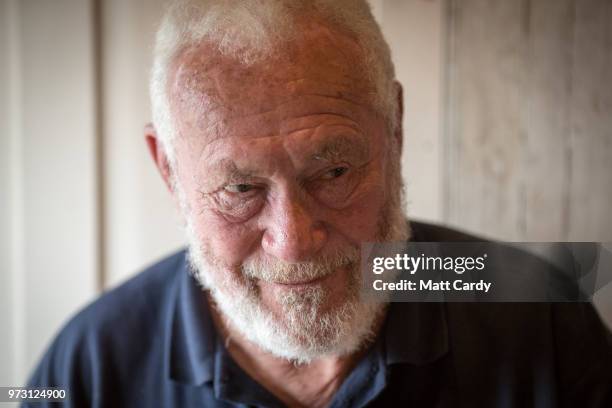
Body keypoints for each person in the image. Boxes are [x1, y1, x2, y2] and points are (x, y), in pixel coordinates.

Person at [27, 1, 612, 407]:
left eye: (333, 171)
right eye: (240, 189)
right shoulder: (89, 366)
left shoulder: (543, 314)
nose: (294, 238)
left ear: (396, 129)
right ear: (170, 173)